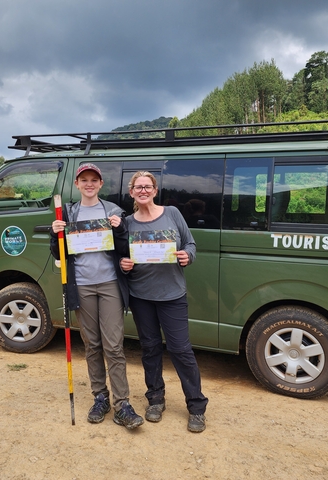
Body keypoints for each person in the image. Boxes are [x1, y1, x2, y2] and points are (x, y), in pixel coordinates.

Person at [50, 163, 143, 429]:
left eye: (94, 180)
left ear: (101, 184)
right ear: (77, 184)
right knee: (92, 344)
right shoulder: (68, 213)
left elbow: (127, 248)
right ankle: (99, 397)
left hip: (110, 284)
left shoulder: (113, 211)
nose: (89, 184)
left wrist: (120, 229)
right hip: (82, 285)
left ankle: (122, 404)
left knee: (113, 345)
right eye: (84, 180)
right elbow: (59, 253)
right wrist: (54, 233)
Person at [120, 171, 209, 433]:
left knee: (181, 351)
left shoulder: (172, 213)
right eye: (138, 187)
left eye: (148, 186)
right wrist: (123, 265)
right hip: (141, 296)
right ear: (132, 192)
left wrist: (187, 256)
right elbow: (121, 256)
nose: (143, 190)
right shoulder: (127, 223)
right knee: (149, 349)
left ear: (155, 190)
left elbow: (191, 244)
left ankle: (196, 406)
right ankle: (155, 399)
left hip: (172, 296)